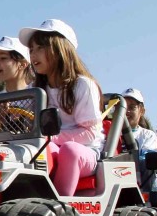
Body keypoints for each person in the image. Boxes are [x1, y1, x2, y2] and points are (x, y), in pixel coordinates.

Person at [19, 19, 104, 196]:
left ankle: (58, 207)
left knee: (69, 151)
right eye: (31, 50)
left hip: (87, 151)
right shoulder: (35, 89)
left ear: (60, 49)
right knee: (31, 151)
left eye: (40, 48)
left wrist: (50, 138)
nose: (33, 54)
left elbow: (89, 133)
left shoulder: (83, 85)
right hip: (52, 145)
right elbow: (13, 111)